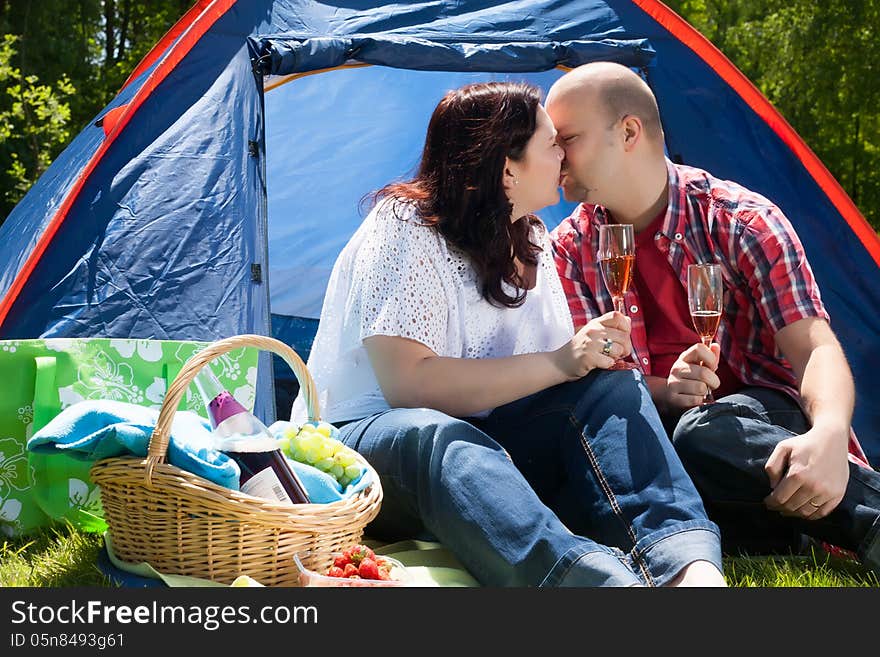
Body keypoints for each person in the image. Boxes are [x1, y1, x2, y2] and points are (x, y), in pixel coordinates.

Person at [292, 81, 726, 587]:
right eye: (551, 144)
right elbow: (410, 387)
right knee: (435, 432)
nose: (565, 156)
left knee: (610, 387)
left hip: (485, 450)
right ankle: (598, 585)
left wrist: (593, 365)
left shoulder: (533, 239)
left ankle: (687, 567)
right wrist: (563, 361)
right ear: (506, 170)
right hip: (375, 449)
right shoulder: (404, 226)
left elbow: (560, 383)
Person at [547, 62, 880, 573]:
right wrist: (665, 391)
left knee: (703, 433)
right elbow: (596, 388)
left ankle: (867, 512)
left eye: (567, 137)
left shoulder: (739, 220)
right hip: (658, 447)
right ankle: (773, 530)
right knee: (611, 458)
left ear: (629, 131)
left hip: (755, 427)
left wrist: (832, 431)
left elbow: (815, 346)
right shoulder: (568, 251)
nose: (555, 156)